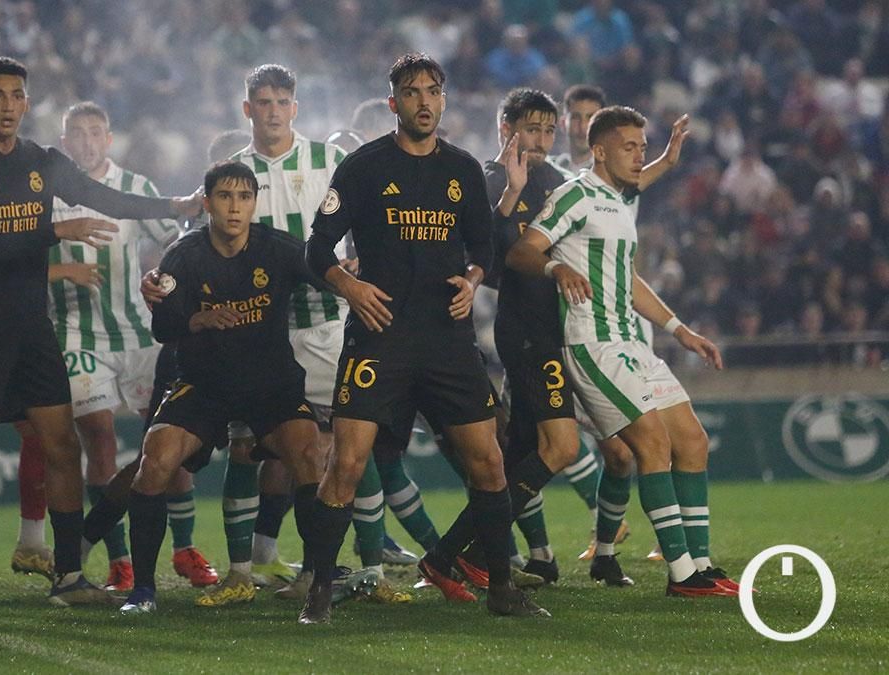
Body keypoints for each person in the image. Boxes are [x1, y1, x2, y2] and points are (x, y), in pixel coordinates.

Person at [301, 53, 547, 624]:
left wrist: (474, 280)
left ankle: (502, 589)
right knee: (345, 466)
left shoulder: (460, 170)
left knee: (489, 462)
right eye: (411, 92)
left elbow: (483, 247)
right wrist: (350, 287)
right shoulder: (363, 168)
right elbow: (317, 248)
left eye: (433, 91)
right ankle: (317, 592)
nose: (424, 101)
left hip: (446, 341)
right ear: (394, 103)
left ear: (444, 99)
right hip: (378, 337)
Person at [0, 56, 199, 607]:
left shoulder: (41, 161)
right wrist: (58, 228)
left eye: (16, 96)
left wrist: (171, 204)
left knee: (62, 445)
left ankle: (67, 576)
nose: (8, 106)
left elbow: (105, 198)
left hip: (35, 330)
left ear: (27, 103)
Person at [505, 105, 738, 597]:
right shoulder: (575, 195)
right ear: (600, 150)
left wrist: (680, 330)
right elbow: (522, 250)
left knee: (692, 441)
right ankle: (682, 577)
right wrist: (556, 269)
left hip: (631, 342)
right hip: (593, 343)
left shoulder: (616, 203)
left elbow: (626, 281)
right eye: (629, 147)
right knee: (651, 444)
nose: (639, 156)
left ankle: (702, 563)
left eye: (643, 148)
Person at [204, 64, 412, 608]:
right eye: (262, 103)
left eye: (282, 103)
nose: (272, 112)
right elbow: (206, 242)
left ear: (294, 109)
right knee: (247, 448)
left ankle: (369, 571)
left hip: (324, 326)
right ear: (246, 110)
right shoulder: (233, 172)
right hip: (260, 334)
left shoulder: (330, 162)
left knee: (350, 445)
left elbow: (371, 225)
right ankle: (240, 571)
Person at [8, 101, 216, 592]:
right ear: (64, 141)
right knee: (99, 437)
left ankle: (184, 549)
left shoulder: (136, 189)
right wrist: (62, 271)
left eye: (94, 132)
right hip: (77, 334)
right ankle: (120, 559)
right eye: (76, 133)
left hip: (141, 334)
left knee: (174, 438)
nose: (85, 140)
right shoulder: (45, 193)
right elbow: (13, 257)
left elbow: (176, 244)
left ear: (108, 139)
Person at [117, 161, 328, 615]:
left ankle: (317, 579)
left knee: (310, 453)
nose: (235, 207)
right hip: (204, 383)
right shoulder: (183, 255)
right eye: (226, 197)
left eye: (244, 197)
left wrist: (349, 276)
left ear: (254, 204)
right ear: (208, 202)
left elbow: (322, 271)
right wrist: (198, 318)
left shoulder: (278, 248)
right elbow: (163, 327)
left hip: (270, 383)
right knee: (153, 463)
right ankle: (144, 591)